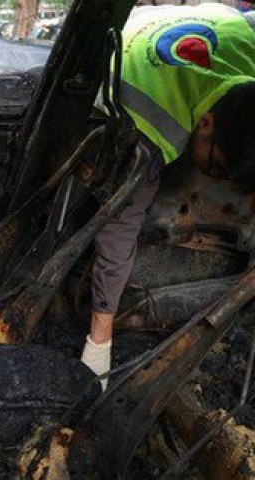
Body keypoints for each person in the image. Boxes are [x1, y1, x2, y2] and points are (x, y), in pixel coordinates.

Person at [81, 3, 255, 389]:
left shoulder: (248, 42)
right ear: (205, 123)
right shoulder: (151, 130)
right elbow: (117, 233)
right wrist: (99, 343)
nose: (219, 179)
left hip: (155, 21)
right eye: (218, 169)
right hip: (118, 72)